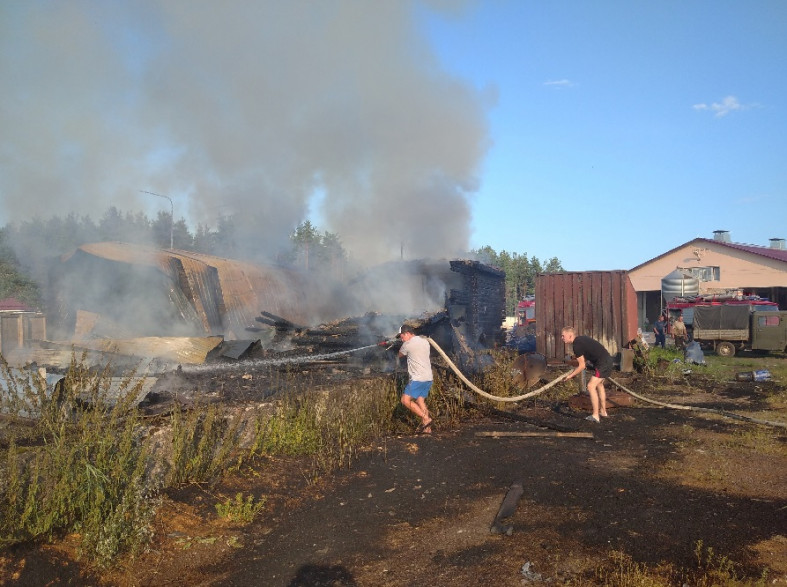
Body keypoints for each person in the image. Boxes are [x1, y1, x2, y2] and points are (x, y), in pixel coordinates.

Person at [561, 326, 613, 423]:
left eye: (563, 336)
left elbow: (581, 366)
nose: (562, 338)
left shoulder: (576, 345)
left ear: (570, 335)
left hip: (602, 363)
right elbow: (585, 359)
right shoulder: (581, 339)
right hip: (607, 360)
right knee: (599, 385)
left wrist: (570, 376)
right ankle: (603, 412)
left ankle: (595, 416)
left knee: (590, 386)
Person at [397, 324, 434, 434]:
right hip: (428, 377)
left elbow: (400, 355)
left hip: (418, 378)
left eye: (401, 336)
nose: (401, 339)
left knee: (405, 400)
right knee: (420, 400)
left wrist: (400, 345)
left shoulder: (407, 344)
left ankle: (426, 419)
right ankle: (428, 429)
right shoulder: (425, 341)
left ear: (408, 333)